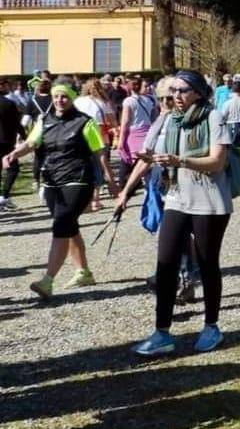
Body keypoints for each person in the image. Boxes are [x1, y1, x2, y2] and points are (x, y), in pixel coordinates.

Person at [115, 71, 233, 355]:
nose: (176, 96)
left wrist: (181, 161)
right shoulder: (169, 120)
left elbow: (217, 162)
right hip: (176, 199)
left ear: (198, 93)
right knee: (165, 264)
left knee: (207, 264)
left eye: (182, 90)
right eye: (173, 91)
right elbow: (150, 157)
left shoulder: (213, 117)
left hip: (209, 203)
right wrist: (126, 191)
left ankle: (211, 326)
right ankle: (162, 332)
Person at [3, 79, 117, 299]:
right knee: (69, 225)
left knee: (62, 224)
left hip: (78, 180)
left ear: (72, 98)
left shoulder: (85, 122)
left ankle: (47, 281)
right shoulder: (44, 120)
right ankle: (83, 272)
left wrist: (111, 181)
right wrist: (14, 154)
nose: (59, 100)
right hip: (52, 181)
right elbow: (31, 143)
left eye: (64, 96)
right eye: (56, 96)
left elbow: (100, 153)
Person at [74, 78, 117, 212]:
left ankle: (83, 199)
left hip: (80, 136)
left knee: (83, 166)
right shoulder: (103, 102)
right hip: (99, 136)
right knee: (98, 166)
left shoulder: (78, 101)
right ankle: (95, 199)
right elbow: (112, 121)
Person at [117, 77, 160, 190]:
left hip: (133, 134)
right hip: (148, 132)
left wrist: (120, 140)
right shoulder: (150, 100)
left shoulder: (128, 101)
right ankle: (144, 184)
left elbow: (125, 121)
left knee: (126, 161)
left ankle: (124, 188)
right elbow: (155, 117)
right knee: (145, 161)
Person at [0, 79, 27, 210]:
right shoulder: (9, 103)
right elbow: (17, 123)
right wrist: (25, 137)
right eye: (7, 86)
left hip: (5, 140)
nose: (9, 88)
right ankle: (4, 196)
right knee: (13, 169)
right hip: (6, 141)